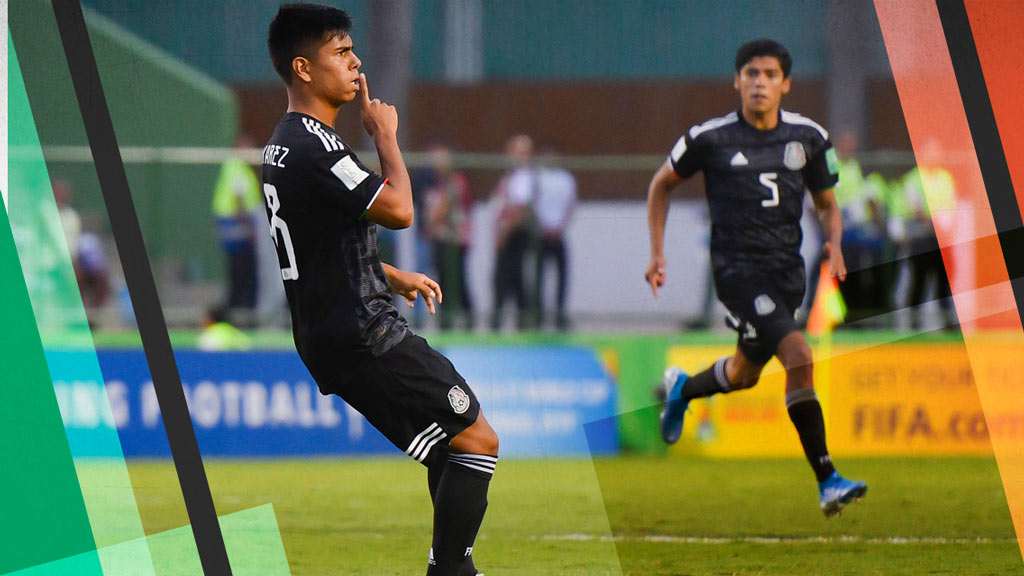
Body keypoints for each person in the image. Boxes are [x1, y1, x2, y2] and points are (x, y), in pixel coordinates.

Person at [263, 5, 498, 575]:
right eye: (340, 52)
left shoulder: (285, 144)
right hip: (361, 334)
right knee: (478, 440)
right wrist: (386, 136)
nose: (355, 62)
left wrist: (391, 276)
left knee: (451, 446)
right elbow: (399, 209)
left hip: (334, 333)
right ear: (304, 68)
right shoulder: (314, 144)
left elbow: (319, 242)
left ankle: (455, 567)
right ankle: (448, 571)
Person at [644, 39, 867, 517]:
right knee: (799, 354)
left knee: (744, 374)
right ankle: (827, 477)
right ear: (737, 81)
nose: (759, 82)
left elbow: (828, 204)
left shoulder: (809, 137)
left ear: (785, 83)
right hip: (737, 274)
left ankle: (683, 388)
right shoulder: (710, 138)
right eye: (751, 73)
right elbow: (661, 184)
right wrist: (657, 252)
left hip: (787, 273)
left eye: (769, 74)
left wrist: (836, 243)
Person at [212, 135, 263, 324]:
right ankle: (240, 310)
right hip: (236, 225)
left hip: (233, 224)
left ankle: (239, 307)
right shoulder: (237, 167)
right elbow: (238, 197)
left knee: (239, 268)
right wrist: (247, 225)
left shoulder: (235, 167)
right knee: (242, 268)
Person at [424, 143, 476, 331]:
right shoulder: (441, 184)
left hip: (454, 239)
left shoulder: (455, 182)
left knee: (457, 279)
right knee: (445, 279)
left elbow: (442, 209)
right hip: (443, 238)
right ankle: (447, 319)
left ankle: (465, 319)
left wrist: (430, 224)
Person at [490, 134, 536, 331]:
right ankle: (514, 319)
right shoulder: (512, 177)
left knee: (509, 276)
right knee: (507, 277)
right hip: (507, 232)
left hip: (514, 234)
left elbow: (519, 209)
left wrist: (504, 234)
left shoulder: (524, 177)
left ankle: (514, 320)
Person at [531, 145, 577, 331]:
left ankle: (559, 314)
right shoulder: (537, 178)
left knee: (561, 276)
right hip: (542, 232)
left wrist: (559, 227)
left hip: (558, 232)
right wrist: (543, 226)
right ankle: (538, 315)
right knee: (539, 276)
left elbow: (570, 205)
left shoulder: (566, 179)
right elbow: (532, 204)